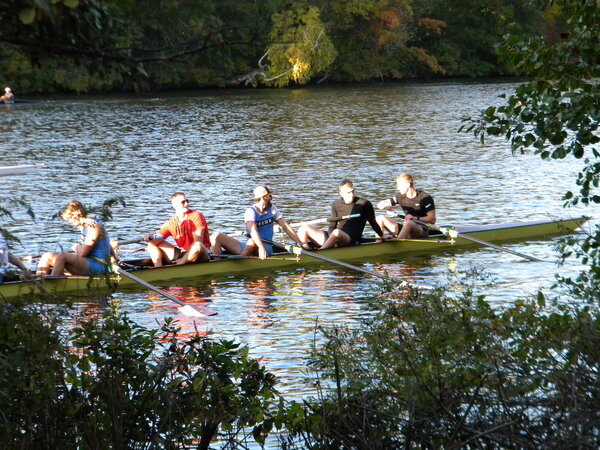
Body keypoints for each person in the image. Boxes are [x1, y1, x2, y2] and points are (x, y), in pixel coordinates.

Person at [210, 185, 305, 260]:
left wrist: (299, 242)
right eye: (270, 196)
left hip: (266, 247)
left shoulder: (272, 209)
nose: (271, 197)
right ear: (264, 198)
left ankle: (239, 260)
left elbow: (285, 226)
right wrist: (260, 247)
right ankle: (217, 262)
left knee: (252, 241)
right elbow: (253, 231)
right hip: (250, 245)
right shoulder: (250, 211)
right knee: (216, 236)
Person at [297, 179, 384, 249]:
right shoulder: (336, 204)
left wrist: (381, 236)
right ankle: (305, 249)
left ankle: (322, 252)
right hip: (334, 236)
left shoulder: (364, 203)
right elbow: (332, 225)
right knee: (303, 228)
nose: (351, 195)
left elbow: (373, 222)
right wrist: (332, 240)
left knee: (337, 232)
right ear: (340, 193)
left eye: (353, 191)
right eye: (348, 193)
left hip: (350, 239)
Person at [36, 201, 113, 276]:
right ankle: (39, 282)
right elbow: (107, 243)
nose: (70, 222)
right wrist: (114, 257)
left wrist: (76, 247)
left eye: (70, 218)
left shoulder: (92, 226)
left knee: (63, 256)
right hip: (88, 262)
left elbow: (82, 254)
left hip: (98, 265)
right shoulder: (85, 226)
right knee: (47, 256)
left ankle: (51, 285)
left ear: (76, 215)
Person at [144, 192, 210, 267]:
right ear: (174, 205)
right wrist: (150, 238)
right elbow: (157, 237)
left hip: (201, 253)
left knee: (197, 244)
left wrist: (179, 264)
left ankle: (178, 266)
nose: (186, 204)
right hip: (183, 253)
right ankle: (158, 268)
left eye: (187, 201)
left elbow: (198, 241)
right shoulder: (171, 222)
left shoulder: (196, 216)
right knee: (152, 243)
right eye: (183, 202)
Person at [376, 173, 436, 239]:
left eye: (399, 185)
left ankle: (398, 243)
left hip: (421, 229)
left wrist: (414, 218)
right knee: (380, 218)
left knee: (409, 223)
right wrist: (385, 206)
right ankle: (379, 241)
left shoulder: (425, 198)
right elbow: (379, 204)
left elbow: (432, 219)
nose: (397, 188)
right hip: (406, 227)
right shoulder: (400, 197)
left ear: (407, 185)